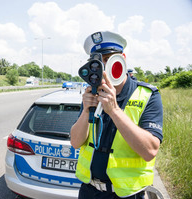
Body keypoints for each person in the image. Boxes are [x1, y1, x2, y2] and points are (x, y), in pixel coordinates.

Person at [70, 31, 163, 199]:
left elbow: (150, 150)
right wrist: (86, 111)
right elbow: (76, 142)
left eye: (108, 59)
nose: (103, 67)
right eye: (97, 61)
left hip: (128, 195)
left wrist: (114, 110)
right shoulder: (92, 93)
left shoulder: (147, 95)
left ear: (122, 59)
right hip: (89, 191)